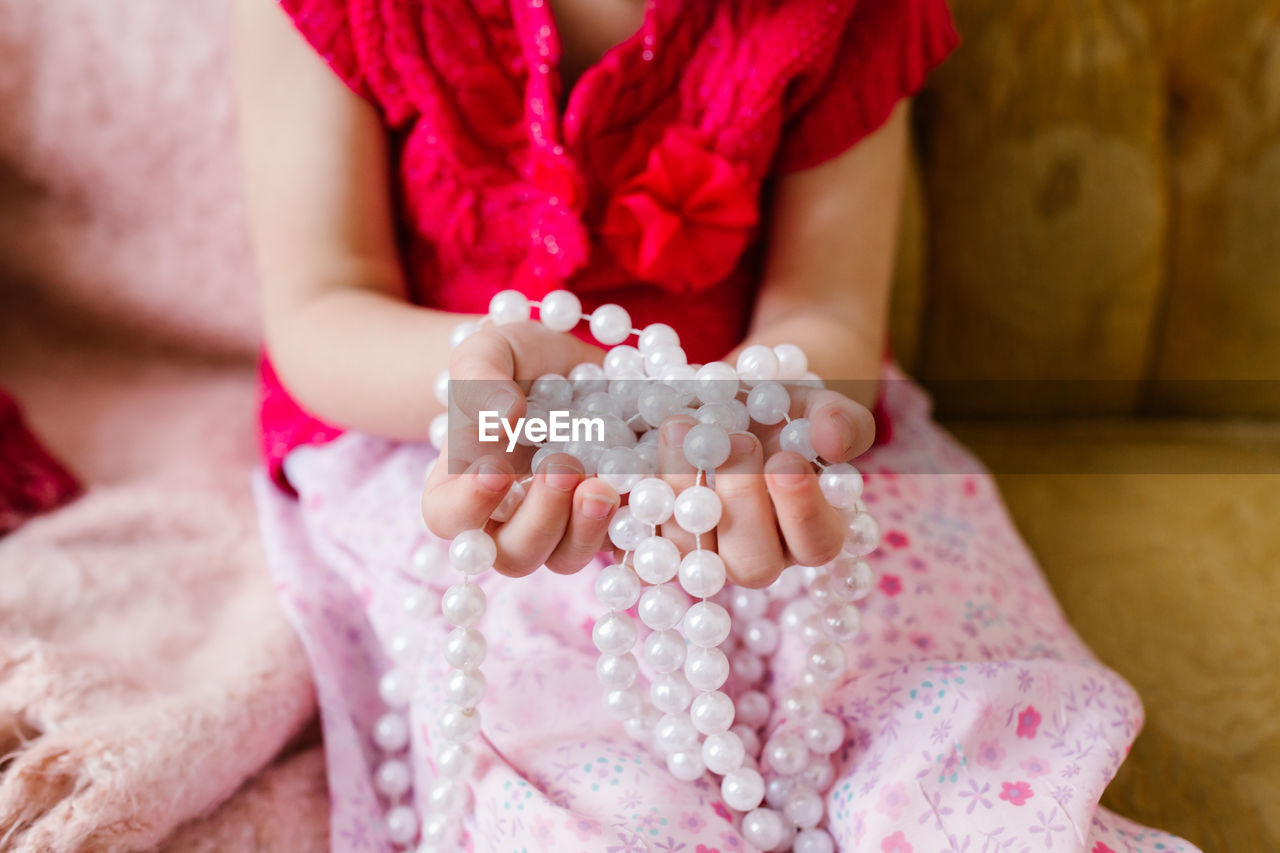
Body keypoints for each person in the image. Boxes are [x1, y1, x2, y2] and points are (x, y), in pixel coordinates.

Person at [237, 1, 1204, 850]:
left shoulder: (843, 15)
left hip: (773, 415)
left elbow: (825, 315)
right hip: (443, 436)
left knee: (951, 717)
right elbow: (325, 313)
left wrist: (748, 414)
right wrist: (510, 388)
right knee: (562, 768)